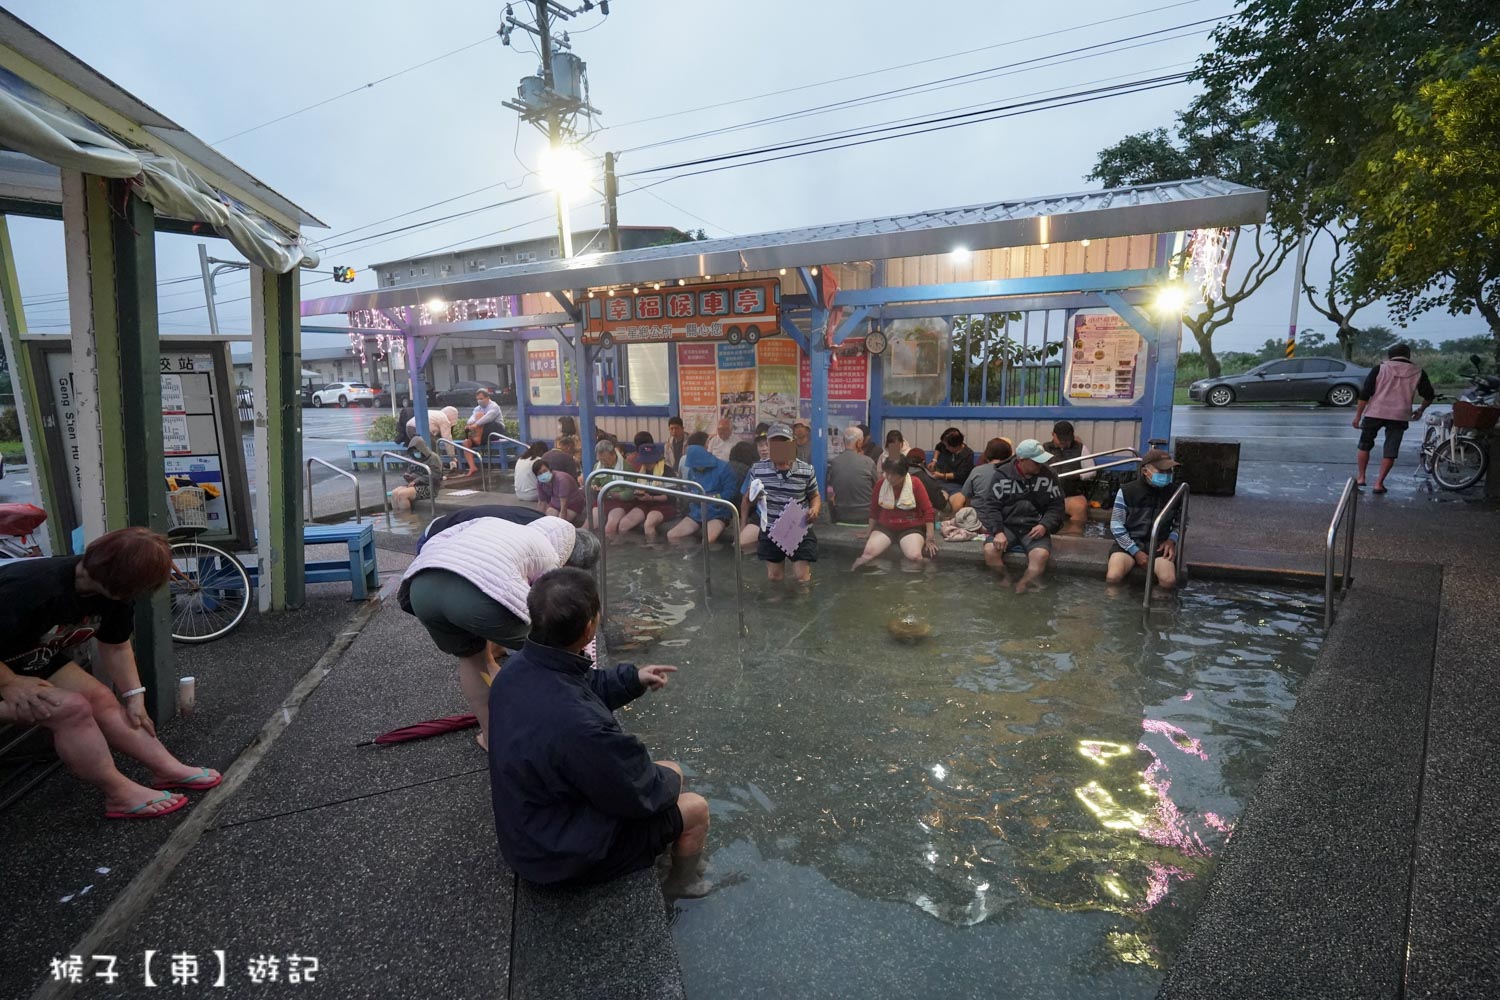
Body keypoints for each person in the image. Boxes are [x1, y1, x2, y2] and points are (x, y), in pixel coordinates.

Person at [488, 568, 710, 897]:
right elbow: (638, 793)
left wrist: (633, 678)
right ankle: (682, 883)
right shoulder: (582, 727)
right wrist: (669, 783)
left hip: (530, 828)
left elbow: (584, 685)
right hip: (555, 858)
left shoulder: (516, 670)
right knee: (695, 807)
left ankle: (667, 846)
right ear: (591, 627)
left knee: (671, 774)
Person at [0, 527, 222, 819]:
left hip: (23, 655)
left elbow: (115, 646)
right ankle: (119, 794)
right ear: (113, 577)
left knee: (101, 698)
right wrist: (11, 683)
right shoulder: (29, 588)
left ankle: (166, 768)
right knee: (71, 709)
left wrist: (134, 695)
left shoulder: (111, 593)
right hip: (8, 670)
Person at [400, 516, 600, 751]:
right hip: (476, 596)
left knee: (472, 658)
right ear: (567, 549)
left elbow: (438, 540)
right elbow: (553, 610)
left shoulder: (500, 527)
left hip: (423, 587)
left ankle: (492, 738)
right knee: (554, 653)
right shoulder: (549, 553)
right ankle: (572, 733)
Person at [743, 423, 822, 581]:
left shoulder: (806, 470)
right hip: (771, 527)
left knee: (802, 577)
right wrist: (743, 524)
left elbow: (815, 495)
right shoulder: (758, 470)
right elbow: (747, 499)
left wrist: (815, 509)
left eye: (783, 442)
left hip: (798, 526)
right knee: (774, 577)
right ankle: (775, 605)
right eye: (775, 443)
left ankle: (802, 604)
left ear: (791, 444)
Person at [985, 439, 1066, 593]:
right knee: (990, 551)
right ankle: (1004, 578)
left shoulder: (1049, 476)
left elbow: (1057, 506)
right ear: (1022, 461)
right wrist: (998, 531)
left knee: (1040, 555)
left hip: (1035, 527)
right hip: (1007, 526)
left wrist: (1045, 525)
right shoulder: (1001, 475)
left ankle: (1024, 583)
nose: (1040, 466)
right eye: (1036, 462)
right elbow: (991, 506)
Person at [1354, 342, 1435, 494]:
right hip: (1400, 415)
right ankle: (1379, 484)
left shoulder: (1380, 368)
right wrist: (1420, 410)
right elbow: (1429, 396)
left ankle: (1361, 477)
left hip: (1375, 412)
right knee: (1391, 450)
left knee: (1364, 445)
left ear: (1389, 356)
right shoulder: (1418, 372)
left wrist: (1358, 416)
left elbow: (1365, 394)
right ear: (1408, 355)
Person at [1106, 449, 1182, 591]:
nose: (1166, 475)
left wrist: (1171, 540)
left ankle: (1159, 609)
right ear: (1145, 471)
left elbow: (1181, 522)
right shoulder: (1128, 491)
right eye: (1161, 471)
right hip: (1128, 544)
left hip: (1159, 545)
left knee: (1168, 580)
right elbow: (1116, 525)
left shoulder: (1177, 493)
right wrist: (1135, 551)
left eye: (1168, 471)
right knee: (1113, 576)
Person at [852, 458, 938, 570]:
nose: (889, 477)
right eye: (887, 473)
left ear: (903, 474)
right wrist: (869, 531)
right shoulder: (880, 484)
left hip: (910, 527)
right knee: (868, 554)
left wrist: (929, 538)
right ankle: (853, 573)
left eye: (893, 474)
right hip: (886, 526)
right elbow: (874, 510)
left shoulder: (915, 483)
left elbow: (928, 510)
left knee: (915, 556)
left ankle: (928, 571)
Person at [668, 438, 742, 544]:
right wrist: (692, 496)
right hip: (697, 512)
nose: (696, 468)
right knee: (672, 535)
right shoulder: (693, 470)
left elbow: (730, 492)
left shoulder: (724, 468)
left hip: (718, 513)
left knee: (707, 541)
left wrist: (714, 498)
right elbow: (690, 489)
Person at [617, 441, 675, 540]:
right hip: (645, 503)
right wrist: (636, 494)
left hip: (664, 505)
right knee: (623, 524)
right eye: (645, 461)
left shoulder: (667, 472)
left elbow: (670, 496)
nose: (647, 464)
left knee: (648, 525)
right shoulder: (641, 471)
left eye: (650, 461)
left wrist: (651, 497)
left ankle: (653, 548)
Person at [1046, 420, 1092, 531]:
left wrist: (1078, 475)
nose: (1064, 442)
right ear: (1053, 435)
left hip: (1071, 495)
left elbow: (1091, 471)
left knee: (1080, 507)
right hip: (1047, 494)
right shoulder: (1044, 448)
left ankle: (1073, 536)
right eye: (1061, 440)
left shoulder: (1081, 448)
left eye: (1066, 440)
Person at [827, 425, 876, 525]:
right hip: (866, 516)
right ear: (859, 443)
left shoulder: (834, 463)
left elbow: (829, 490)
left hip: (841, 516)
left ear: (844, 441)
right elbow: (878, 487)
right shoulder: (868, 462)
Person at [953, 437, 1012, 518]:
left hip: (979, 518)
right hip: (1004, 518)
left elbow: (967, 498)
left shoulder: (977, 471)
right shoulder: (1013, 472)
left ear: (987, 453)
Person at [391, 437, 444, 512]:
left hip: (430, 486)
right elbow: (410, 471)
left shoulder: (433, 458)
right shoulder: (413, 459)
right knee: (394, 493)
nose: (415, 453)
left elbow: (435, 476)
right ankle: (399, 516)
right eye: (413, 451)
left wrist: (417, 480)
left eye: (417, 451)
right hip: (414, 485)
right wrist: (408, 476)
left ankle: (409, 518)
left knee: (402, 495)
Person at [590, 438, 631, 534]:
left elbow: (631, 492)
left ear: (613, 455)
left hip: (619, 503)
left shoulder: (626, 467)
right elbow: (593, 482)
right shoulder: (598, 466)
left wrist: (615, 495)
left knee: (609, 529)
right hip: (602, 500)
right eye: (601, 460)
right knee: (589, 526)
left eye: (606, 460)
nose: (603, 463)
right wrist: (594, 487)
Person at [463, 389, 504, 476]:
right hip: (482, 434)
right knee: (466, 443)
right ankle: (472, 467)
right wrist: (470, 425)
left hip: (495, 430)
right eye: (478, 399)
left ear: (488, 398)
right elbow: (471, 419)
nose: (479, 401)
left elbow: (488, 418)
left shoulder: (494, 406)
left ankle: (477, 438)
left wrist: (475, 425)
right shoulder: (477, 408)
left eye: (481, 398)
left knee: (480, 416)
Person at [534, 459, 584, 525]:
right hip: (555, 504)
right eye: (540, 473)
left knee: (558, 522)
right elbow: (541, 502)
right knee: (548, 520)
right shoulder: (540, 482)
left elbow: (564, 505)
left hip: (572, 504)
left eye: (545, 471)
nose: (543, 474)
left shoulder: (562, 479)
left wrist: (561, 523)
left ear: (550, 470)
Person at [928, 428, 975, 496]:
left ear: (956, 446)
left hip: (958, 485)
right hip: (941, 482)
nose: (946, 448)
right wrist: (934, 461)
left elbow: (960, 475)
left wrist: (941, 475)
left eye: (948, 446)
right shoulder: (945, 445)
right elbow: (938, 447)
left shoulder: (968, 455)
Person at [905, 448, 949, 516]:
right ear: (923, 462)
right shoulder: (926, 479)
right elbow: (940, 504)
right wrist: (945, 495)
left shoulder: (898, 474)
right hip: (920, 516)